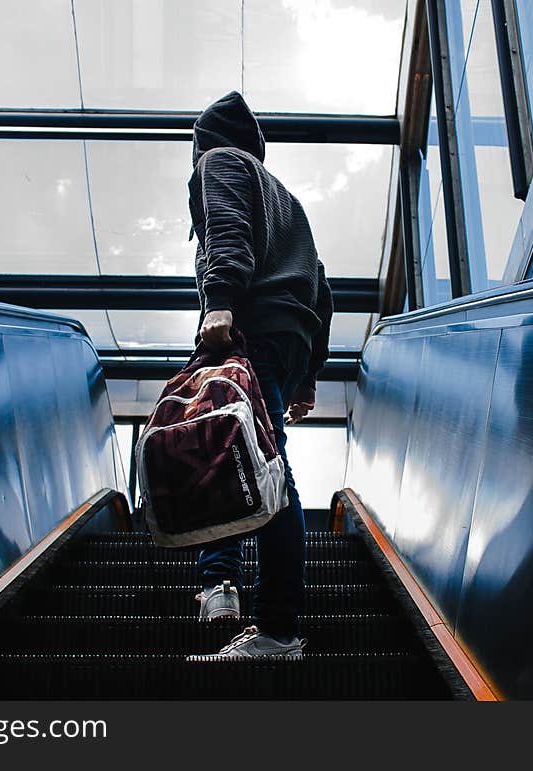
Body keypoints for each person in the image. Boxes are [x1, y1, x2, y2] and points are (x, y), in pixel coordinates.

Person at [185, 91, 333, 659]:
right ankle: (225, 587)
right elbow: (324, 290)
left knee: (247, 462)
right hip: (288, 340)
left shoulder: (218, 163)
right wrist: (309, 374)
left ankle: (273, 624)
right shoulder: (289, 202)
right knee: (248, 455)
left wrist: (218, 304)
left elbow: (225, 230)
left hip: (251, 327)